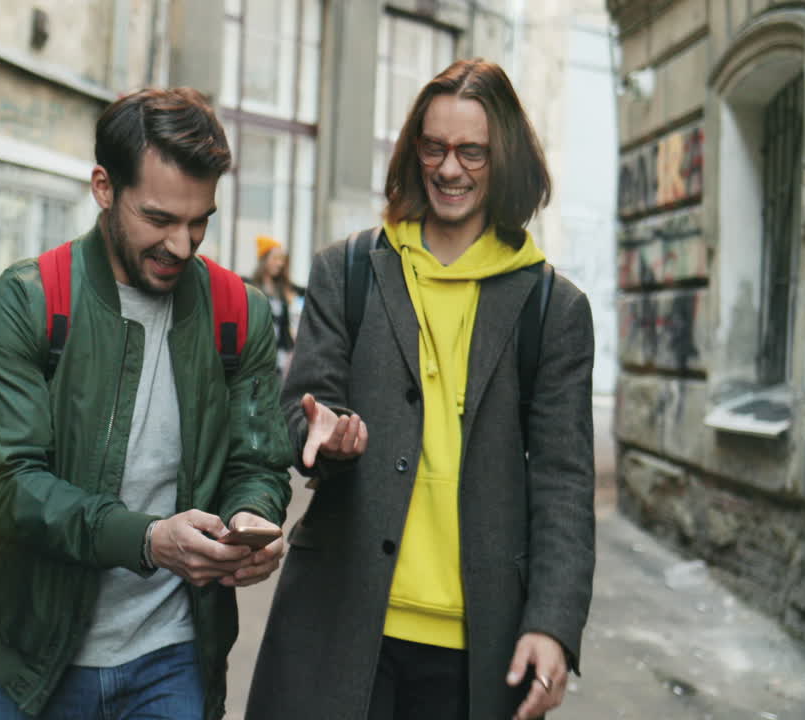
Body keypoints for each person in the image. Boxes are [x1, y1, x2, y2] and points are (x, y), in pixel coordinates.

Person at [246, 58, 596, 720]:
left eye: (472, 152)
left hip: (478, 644)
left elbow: (564, 483)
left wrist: (552, 623)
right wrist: (323, 434)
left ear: (505, 159)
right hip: (343, 618)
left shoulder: (553, 309)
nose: (449, 168)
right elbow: (302, 407)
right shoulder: (346, 271)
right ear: (414, 150)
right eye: (433, 147)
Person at [0, 88, 293, 720]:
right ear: (103, 187)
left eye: (199, 219)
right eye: (159, 218)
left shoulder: (238, 313)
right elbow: (8, 485)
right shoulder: (29, 301)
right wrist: (147, 539)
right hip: (40, 664)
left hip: (175, 661)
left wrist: (251, 522)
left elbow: (258, 462)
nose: (182, 243)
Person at [247, 236, 305, 374]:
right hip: (258, 356)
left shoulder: (286, 289)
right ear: (264, 259)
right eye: (275, 258)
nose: (280, 264)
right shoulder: (251, 288)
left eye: (282, 260)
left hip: (281, 358)